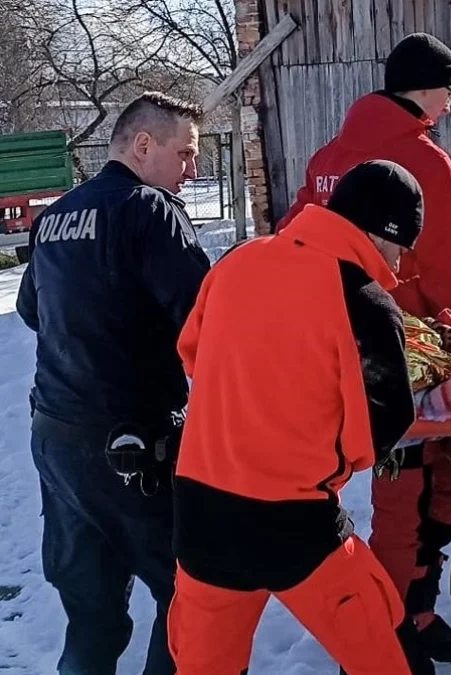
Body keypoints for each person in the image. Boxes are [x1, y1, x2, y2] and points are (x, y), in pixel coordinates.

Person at [169, 161, 426, 675]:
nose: (399, 262)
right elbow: (387, 420)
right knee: (387, 656)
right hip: (296, 523)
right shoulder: (367, 303)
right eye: (401, 246)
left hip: (202, 513)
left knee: (203, 667)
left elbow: (192, 353)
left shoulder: (237, 261)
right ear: (382, 233)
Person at [275, 32, 451, 664]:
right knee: (421, 492)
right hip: (411, 348)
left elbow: (298, 241)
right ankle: (391, 633)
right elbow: (441, 265)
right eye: (450, 91)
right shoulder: (427, 160)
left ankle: (411, 617)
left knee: (408, 493)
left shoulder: (325, 157)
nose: (450, 104)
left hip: (338, 351)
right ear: (427, 88)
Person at [15, 91, 211, 674]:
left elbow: (32, 311)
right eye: (185, 154)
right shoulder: (149, 210)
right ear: (143, 145)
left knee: (92, 615)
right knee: (187, 595)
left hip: (58, 445)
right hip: (134, 450)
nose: (192, 171)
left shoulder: (54, 217)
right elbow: (205, 319)